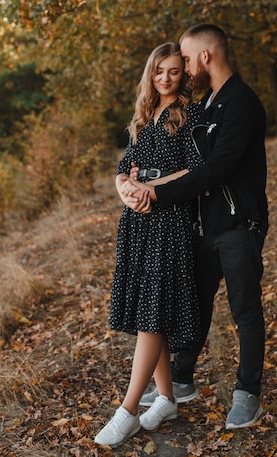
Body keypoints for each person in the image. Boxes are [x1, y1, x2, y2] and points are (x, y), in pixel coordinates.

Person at [126, 23, 268, 430]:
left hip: (239, 224)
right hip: (204, 226)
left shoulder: (242, 103)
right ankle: (182, 380)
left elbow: (216, 168)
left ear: (205, 56)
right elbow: (185, 160)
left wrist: (156, 194)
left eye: (186, 60)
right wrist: (136, 180)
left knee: (245, 311)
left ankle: (247, 392)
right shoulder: (207, 104)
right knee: (194, 304)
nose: (184, 68)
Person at [94, 42, 202, 448]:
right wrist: (126, 190)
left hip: (168, 219)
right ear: (151, 73)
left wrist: (149, 188)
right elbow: (124, 169)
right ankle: (169, 399)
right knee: (146, 308)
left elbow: (195, 171)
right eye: (160, 70)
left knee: (153, 313)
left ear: (184, 74)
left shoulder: (188, 115)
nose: (166, 78)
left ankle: (128, 410)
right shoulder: (143, 115)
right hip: (137, 221)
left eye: (174, 71)